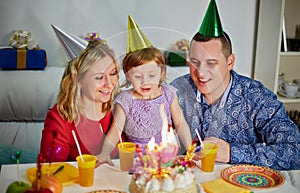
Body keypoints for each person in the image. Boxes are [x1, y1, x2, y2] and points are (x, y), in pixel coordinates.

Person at [171, 0, 300, 170]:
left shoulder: (257, 97)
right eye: (195, 62)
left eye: (211, 63)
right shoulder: (176, 90)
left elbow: (294, 151)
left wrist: (231, 152)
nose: (201, 73)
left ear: (230, 62)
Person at [97, 16, 192, 165]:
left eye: (152, 75)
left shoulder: (168, 94)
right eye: (138, 76)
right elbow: (115, 131)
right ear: (128, 76)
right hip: (138, 160)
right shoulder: (125, 100)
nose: (145, 81)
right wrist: (104, 153)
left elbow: (180, 123)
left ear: (161, 73)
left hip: (167, 158)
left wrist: (189, 149)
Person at [40, 39, 121, 162]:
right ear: (78, 81)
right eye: (99, 77)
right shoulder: (60, 119)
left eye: (113, 73)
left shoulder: (121, 105)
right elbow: (51, 171)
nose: (110, 84)